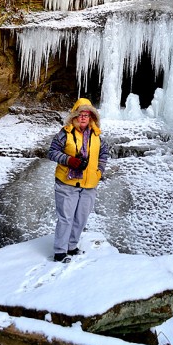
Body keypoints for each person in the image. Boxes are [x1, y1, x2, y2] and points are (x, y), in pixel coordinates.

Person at [48, 98, 109, 263]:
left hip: (89, 184)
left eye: (87, 115)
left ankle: (71, 247)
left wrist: (99, 171)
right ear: (74, 116)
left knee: (81, 218)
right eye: (80, 114)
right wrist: (69, 160)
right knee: (66, 218)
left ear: (91, 118)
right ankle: (60, 251)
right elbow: (52, 152)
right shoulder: (64, 133)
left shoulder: (97, 136)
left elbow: (103, 154)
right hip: (66, 184)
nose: (83, 117)